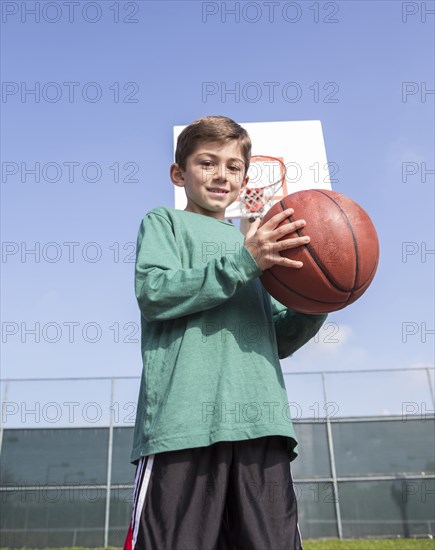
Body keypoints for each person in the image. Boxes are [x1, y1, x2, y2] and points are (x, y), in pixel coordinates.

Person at [124, 116, 327, 550]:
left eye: (233, 167)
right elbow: (153, 292)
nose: (222, 175)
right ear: (179, 174)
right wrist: (243, 261)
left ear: (246, 179)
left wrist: (318, 303)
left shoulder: (260, 248)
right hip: (183, 425)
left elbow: (281, 338)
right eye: (207, 162)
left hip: (261, 423)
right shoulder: (165, 223)